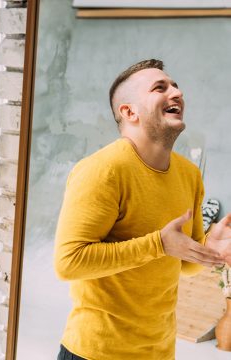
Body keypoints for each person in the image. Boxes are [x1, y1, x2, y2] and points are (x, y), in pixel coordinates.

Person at [53, 59, 231, 360]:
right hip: (96, 352)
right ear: (129, 111)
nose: (176, 92)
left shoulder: (189, 175)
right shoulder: (103, 170)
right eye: (159, 88)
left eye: (175, 85)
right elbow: (69, 262)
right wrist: (158, 244)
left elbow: (183, 264)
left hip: (159, 352)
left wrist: (208, 249)